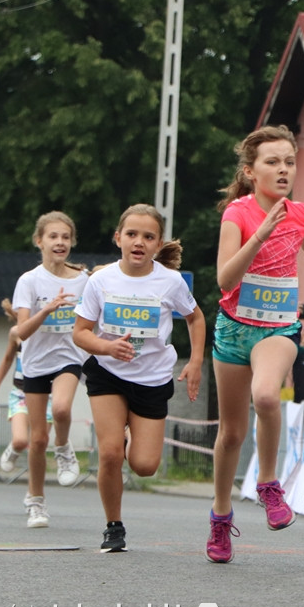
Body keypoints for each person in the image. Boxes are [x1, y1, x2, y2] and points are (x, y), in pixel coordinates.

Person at [207, 124, 304, 564]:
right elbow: (224, 280)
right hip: (234, 330)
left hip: (278, 329)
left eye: (290, 161)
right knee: (231, 433)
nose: (284, 169)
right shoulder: (238, 213)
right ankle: (219, 518)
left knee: (267, 395)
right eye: (273, 162)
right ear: (251, 172)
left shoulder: (302, 213)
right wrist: (260, 235)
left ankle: (269, 486)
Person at [73, 204, 205, 553]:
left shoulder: (170, 281)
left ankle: (130, 428)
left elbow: (195, 318)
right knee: (111, 453)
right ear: (118, 238)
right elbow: (81, 333)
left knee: (145, 466)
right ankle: (113, 525)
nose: (139, 242)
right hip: (108, 375)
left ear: (158, 244)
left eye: (148, 236)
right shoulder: (100, 281)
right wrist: (105, 347)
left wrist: (195, 361)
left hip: (151, 379)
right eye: (132, 234)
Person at [12, 211, 89, 528]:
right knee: (37, 439)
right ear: (39, 241)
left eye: (65, 237)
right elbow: (22, 332)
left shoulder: (84, 280)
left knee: (61, 408)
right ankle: (36, 501)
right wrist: (47, 308)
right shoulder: (29, 281)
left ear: (72, 242)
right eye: (53, 237)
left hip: (69, 357)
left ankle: (64, 447)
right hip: (35, 363)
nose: (60, 242)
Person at [0, 299, 55, 474]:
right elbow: (7, 359)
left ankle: (34, 484)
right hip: (21, 393)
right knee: (20, 440)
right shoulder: (16, 333)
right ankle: (14, 449)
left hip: (46, 395)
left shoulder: (51, 334)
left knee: (39, 443)